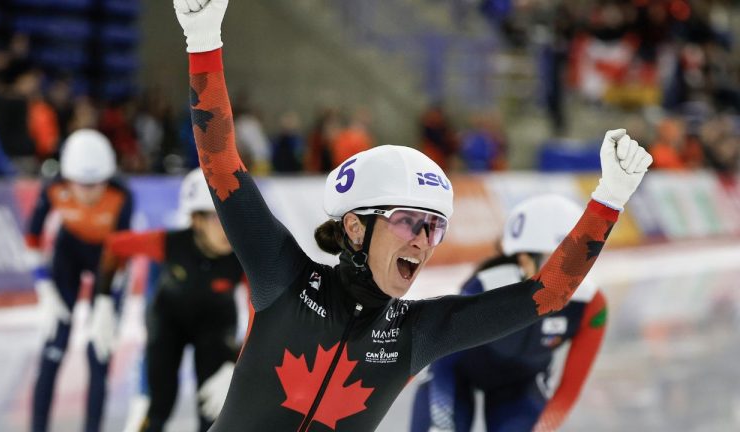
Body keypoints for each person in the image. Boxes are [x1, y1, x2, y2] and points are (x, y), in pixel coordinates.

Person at [174, 1, 653, 430]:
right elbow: (222, 166)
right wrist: (203, 42)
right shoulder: (284, 277)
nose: (424, 241)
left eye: (435, 227)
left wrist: (609, 198)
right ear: (356, 227)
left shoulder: (417, 333)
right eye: (409, 221)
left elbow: (547, 295)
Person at [410, 195, 607, 432]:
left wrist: (544, 426)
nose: (568, 272)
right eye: (557, 260)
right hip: (455, 373)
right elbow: (436, 346)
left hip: (521, 385)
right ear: (524, 260)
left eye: (579, 261)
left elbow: (570, 387)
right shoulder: (486, 286)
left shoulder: (590, 304)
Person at [92, 168, 248, 432]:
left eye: (231, 218)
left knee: (213, 414)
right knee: (159, 405)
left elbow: (265, 316)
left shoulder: (245, 256)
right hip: (168, 321)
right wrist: (103, 300)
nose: (228, 229)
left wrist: (236, 363)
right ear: (196, 220)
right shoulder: (169, 242)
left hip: (215, 326)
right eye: (217, 218)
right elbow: (114, 245)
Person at [27, 129, 133, 432]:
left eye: (96, 184)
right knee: (53, 348)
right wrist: (45, 288)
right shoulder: (52, 187)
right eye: (81, 185)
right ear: (67, 178)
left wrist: (104, 302)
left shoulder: (122, 194)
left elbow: (121, 253)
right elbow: (32, 240)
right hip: (68, 255)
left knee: (98, 354)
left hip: (108, 261)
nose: (88, 192)